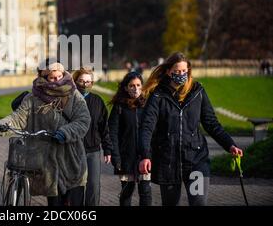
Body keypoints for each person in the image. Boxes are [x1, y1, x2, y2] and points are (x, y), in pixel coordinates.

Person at [138, 52, 244, 206]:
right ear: (168, 71)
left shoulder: (197, 91)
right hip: (168, 163)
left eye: (184, 71)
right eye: (177, 71)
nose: (181, 75)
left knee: (198, 203)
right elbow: (147, 127)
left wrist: (230, 145)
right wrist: (145, 155)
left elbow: (211, 123)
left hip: (196, 161)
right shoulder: (157, 96)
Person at [0, 62, 91, 206]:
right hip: (47, 164)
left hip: (72, 160)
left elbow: (83, 120)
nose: (57, 80)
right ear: (44, 78)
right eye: (52, 78)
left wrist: (65, 132)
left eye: (59, 76)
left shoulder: (73, 95)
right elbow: (18, 118)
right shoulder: (33, 98)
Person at [108, 71, 152, 206]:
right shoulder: (119, 106)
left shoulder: (149, 105)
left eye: (138, 85)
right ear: (126, 87)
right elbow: (113, 133)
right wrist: (115, 156)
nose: (135, 88)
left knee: (145, 191)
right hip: (126, 157)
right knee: (127, 191)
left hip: (145, 156)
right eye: (132, 85)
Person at [72, 67, 113, 206]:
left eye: (88, 81)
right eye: (81, 81)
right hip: (74, 151)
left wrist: (107, 149)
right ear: (75, 81)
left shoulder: (98, 101)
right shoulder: (68, 101)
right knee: (76, 187)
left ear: (92, 83)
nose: (85, 84)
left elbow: (104, 127)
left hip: (93, 151)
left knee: (93, 186)